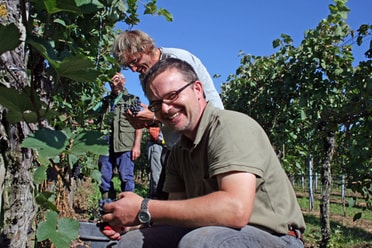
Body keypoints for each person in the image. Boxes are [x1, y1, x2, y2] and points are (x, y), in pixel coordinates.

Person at [101, 58, 306, 248]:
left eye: (172, 96)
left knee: (201, 242)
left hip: (275, 237)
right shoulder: (178, 152)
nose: (165, 108)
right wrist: (134, 223)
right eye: (156, 104)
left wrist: (144, 207)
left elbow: (235, 210)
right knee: (133, 242)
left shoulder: (230, 127)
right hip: (213, 231)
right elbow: (176, 215)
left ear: (197, 89)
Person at [112, 30, 224, 198]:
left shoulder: (178, 60)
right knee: (169, 200)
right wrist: (144, 121)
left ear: (147, 47)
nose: (134, 69)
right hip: (177, 145)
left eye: (135, 61)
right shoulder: (145, 76)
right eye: (129, 66)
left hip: (204, 138)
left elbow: (191, 107)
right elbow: (164, 112)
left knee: (206, 198)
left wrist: (154, 117)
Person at [92, 73, 143, 198]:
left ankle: (128, 207)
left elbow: (139, 124)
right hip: (105, 145)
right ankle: (108, 207)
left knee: (125, 176)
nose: (114, 84)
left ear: (124, 81)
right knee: (104, 176)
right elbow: (92, 118)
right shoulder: (105, 102)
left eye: (117, 80)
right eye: (111, 81)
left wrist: (137, 146)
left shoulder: (132, 100)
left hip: (125, 145)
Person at [145, 125, 167, 199]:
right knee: (156, 175)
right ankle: (155, 198)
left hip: (168, 145)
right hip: (157, 144)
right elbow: (151, 125)